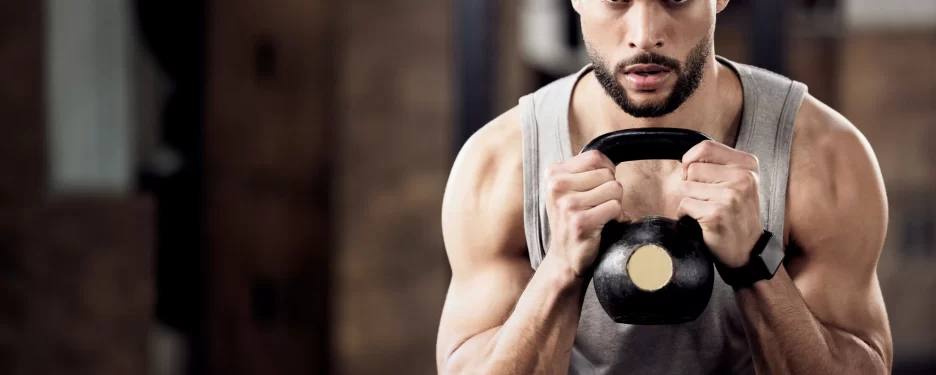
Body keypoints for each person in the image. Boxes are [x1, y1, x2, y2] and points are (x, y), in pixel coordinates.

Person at [436, 0, 894, 374]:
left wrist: (756, 262)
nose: (645, 33)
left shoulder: (824, 153)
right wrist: (558, 271)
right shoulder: (498, 164)